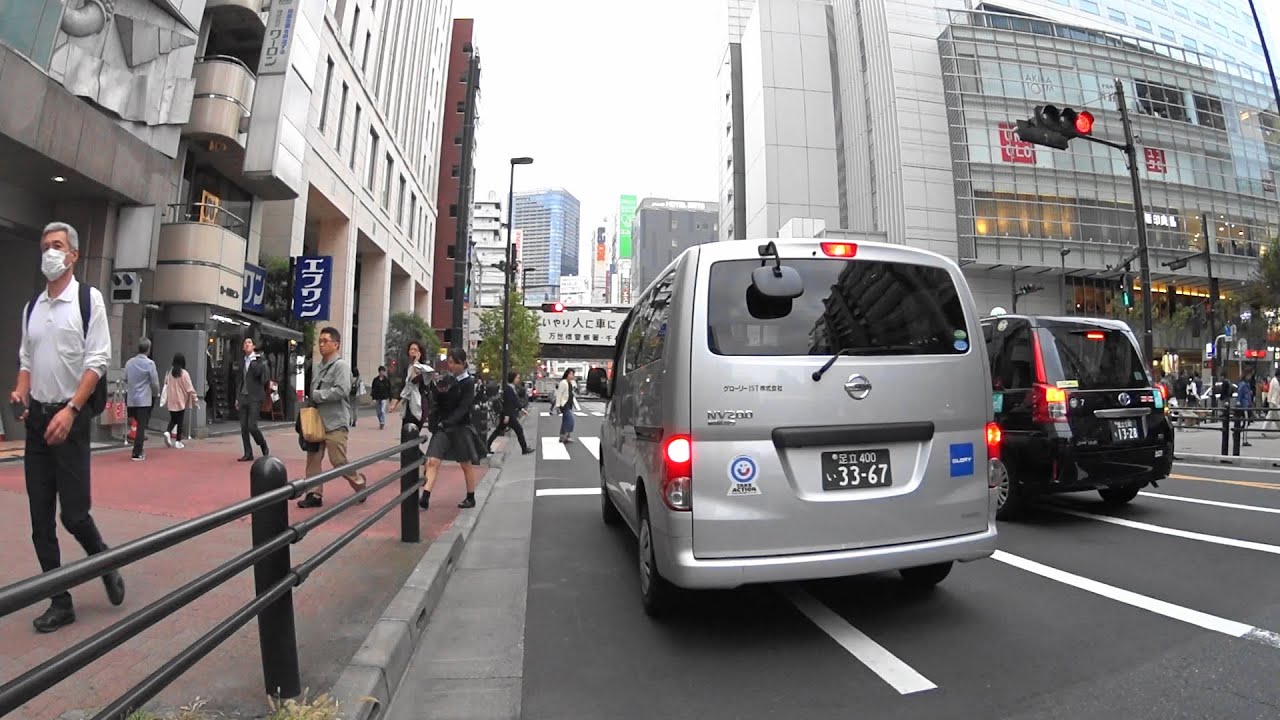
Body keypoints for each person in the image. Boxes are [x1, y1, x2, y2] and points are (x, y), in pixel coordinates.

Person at [10, 221, 123, 632]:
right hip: (39, 422)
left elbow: (97, 362)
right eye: (45, 247)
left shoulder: (88, 301)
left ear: (73, 254)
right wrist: (22, 390)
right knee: (40, 520)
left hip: (70, 420)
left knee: (73, 515)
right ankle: (60, 600)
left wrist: (72, 409)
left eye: (57, 246)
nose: (49, 253)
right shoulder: (32, 308)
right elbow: (25, 360)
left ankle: (104, 559)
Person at [297, 327, 369, 508]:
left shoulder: (341, 366)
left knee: (338, 460)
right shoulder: (319, 366)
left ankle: (359, 483)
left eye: (325, 341)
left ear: (335, 344)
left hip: (336, 421)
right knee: (313, 457)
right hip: (317, 421)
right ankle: (314, 494)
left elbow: (342, 390)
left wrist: (317, 395)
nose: (321, 345)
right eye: (320, 341)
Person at [419, 348, 486, 511]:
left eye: (453, 363)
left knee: (465, 464)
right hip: (444, 426)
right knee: (433, 460)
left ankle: (471, 497)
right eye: (449, 362)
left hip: (460, 427)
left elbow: (464, 408)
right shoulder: (448, 379)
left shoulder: (468, 383)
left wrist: (447, 422)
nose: (450, 366)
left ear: (462, 363)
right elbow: (439, 401)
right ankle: (425, 496)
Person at [231, 336, 270, 461]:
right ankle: (248, 453)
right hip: (243, 396)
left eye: (249, 342)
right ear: (243, 347)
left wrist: (253, 361)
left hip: (255, 397)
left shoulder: (258, 360)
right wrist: (237, 398)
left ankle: (262, 443)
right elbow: (240, 380)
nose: (247, 344)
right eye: (245, 343)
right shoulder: (242, 361)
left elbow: (259, 375)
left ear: (253, 346)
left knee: (252, 425)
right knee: (243, 427)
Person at [124, 338, 160, 461]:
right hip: (144, 399)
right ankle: (137, 451)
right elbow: (154, 383)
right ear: (148, 349)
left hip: (131, 398)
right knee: (141, 426)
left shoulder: (129, 363)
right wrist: (156, 394)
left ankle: (137, 449)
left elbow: (125, 378)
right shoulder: (150, 364)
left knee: (134, 422)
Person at [487, 371, 534, 455]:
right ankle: (524, 449)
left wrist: (522, 409)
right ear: (512, 378)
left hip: (507, 414)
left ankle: (487, 446)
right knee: (518, 430)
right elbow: (508, 403)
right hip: (508, 414)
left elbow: (515, 401)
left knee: (499, 430)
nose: (518, 380)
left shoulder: (512, 388)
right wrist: (507, 415)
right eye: (517, 378)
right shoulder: (508, 389)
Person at [390, 340, 431, 430]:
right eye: (411, 349)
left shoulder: (424, 369)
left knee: (413, 433)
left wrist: (416, 362)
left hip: (419, 405)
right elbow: (403, 386)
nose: (412, 351)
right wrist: (394, 402)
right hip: (408, 405)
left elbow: (414, 379)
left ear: (420, 353)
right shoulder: (407, 368)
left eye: (415, 349)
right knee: (405, 432)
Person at [163, 353, 198, 448]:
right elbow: (189, 388)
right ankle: (178, 441)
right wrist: (195, 400)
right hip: (181, 400)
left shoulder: (170, 373)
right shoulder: (184, 374)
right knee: (180, 421)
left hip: (171, 400)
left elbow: (166, 384)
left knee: (174, 419)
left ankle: (168, 431)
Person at [555, 368, 579, 443]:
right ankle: (566, 437)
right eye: (570, 374)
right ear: (566, 374)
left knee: (565, 420)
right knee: (570, 420)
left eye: (572, 374)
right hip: (564, 404)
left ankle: (562, 437)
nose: (571, 376)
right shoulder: (563, 382)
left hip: (569, 403)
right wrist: (557, 405)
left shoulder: (571, 383)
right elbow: (559, 394)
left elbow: (571, 393)